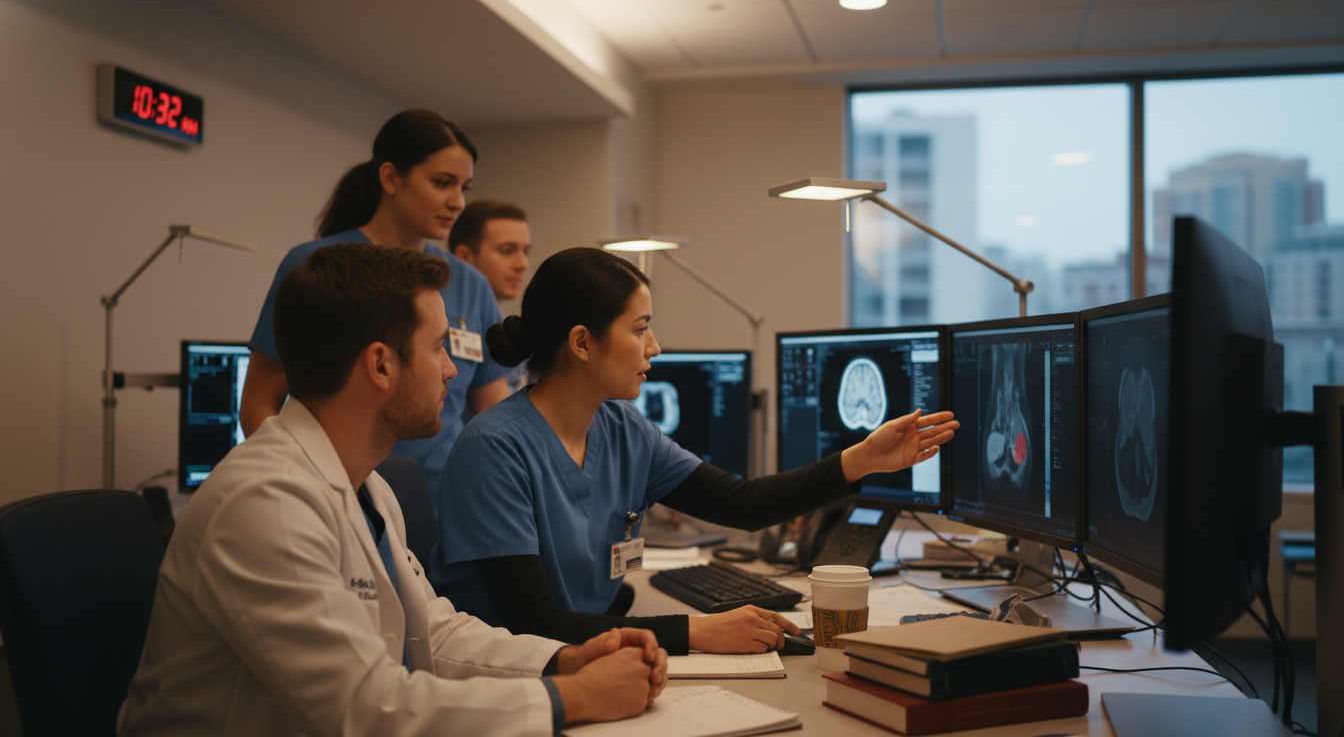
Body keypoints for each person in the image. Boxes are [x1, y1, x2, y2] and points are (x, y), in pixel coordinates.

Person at [119, 244, 667, 736]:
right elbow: (363, 709)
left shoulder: (368, 488)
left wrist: (564, 660)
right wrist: (573, 697)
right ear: (381, 365)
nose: (452, 370)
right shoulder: (265, 503)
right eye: (438, 348)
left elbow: (432, 633)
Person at [430, 247, 959, 656]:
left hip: (581, 656)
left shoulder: (621, 428)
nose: (655, 347)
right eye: (640, 329)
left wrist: (861, 460)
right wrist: (696, 631)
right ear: (583, 342)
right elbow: (531, 623)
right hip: (504, 675)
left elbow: (740, 503)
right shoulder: (494, 449)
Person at [240, 109, 510, 505]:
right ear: (390, 177)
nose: (457, 202)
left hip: (444, 502)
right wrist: (306, 485)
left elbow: (493, 415)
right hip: (335, 495)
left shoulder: (469, 284)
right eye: (442, 183)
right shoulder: (318, 267)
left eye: (464, 188)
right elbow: (259, 401)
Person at [449, 200, 532, 302]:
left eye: (525, 251)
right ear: (464, 257)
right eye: (508, 251)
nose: (523, 265)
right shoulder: (440, 311)